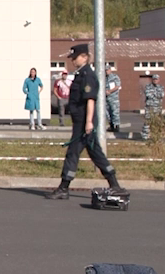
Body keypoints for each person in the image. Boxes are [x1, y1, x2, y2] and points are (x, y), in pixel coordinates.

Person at [46, 44, 121, 199]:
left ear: (85, 57)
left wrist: (88, 122)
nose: (73, 60)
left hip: (84, 122)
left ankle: (64, 188)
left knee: (73, 153)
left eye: (75, 57)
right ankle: (114, 183)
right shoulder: (80, 74)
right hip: (80, 121)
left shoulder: (87, 75)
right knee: (96, 154)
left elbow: (90, 100)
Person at [141, 73, 163, 141]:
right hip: (149, 107)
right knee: (147, 122)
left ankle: (156, 136)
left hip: (157, 107)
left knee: (156, 122)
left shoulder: (161, 87)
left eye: (156, 79)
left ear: (159, 80)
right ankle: (145, 136)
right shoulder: (148, 86)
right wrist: (156, 95)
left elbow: (161, 95)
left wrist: (153, 94)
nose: (155, 80)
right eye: (154, 79)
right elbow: (148, 94)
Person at [104, 65, 121, 134]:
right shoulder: (104, 78)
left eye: (107, 70)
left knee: (115, 112)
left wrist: (110, 91)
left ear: (110, 70)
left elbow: (117, 86)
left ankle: (116, 126)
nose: (106, 71)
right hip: (106, 98)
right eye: (105, 70)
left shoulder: (115, 77)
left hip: (113, 98)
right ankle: (111, 125)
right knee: (107, 113)